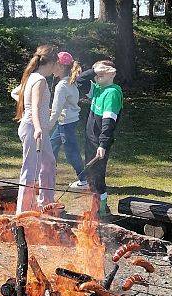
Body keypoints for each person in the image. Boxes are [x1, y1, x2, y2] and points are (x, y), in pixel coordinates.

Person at [11, 45, 57, 214]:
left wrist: (43, 110)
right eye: (56, 63)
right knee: (30, 170)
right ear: (50, 63)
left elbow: (16, 94)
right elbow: (35, 107)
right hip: (33, 129)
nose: (56, 67)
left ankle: (46, 204)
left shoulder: (33, 77)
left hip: (36, 127)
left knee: (49, 163)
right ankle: (23, 212)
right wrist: (37, 126)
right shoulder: (39, 80)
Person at [77, 60, 124, 217]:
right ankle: (96, 208)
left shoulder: (112, 93)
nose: (97, 77)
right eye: (96, 75)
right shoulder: (98, 89)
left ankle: (102, 210)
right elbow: (79, 81)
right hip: (90, 140)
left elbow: (108, 122)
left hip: (99, 143)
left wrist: (103, 144)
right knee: (91, 176)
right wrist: (93, 70)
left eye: (101, 74)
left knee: (97, 177)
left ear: (112, 73)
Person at [49, 51, 88, 191]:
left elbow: (56, 110)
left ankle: (84, 180)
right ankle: (48, 175)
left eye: (54, 64)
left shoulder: (62, 85)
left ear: (60, 66)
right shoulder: (69, 82)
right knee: (52, 146)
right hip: (66, 121)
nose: (52, 67)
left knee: (71, 151)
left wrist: (47, 126)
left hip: (66, 122)